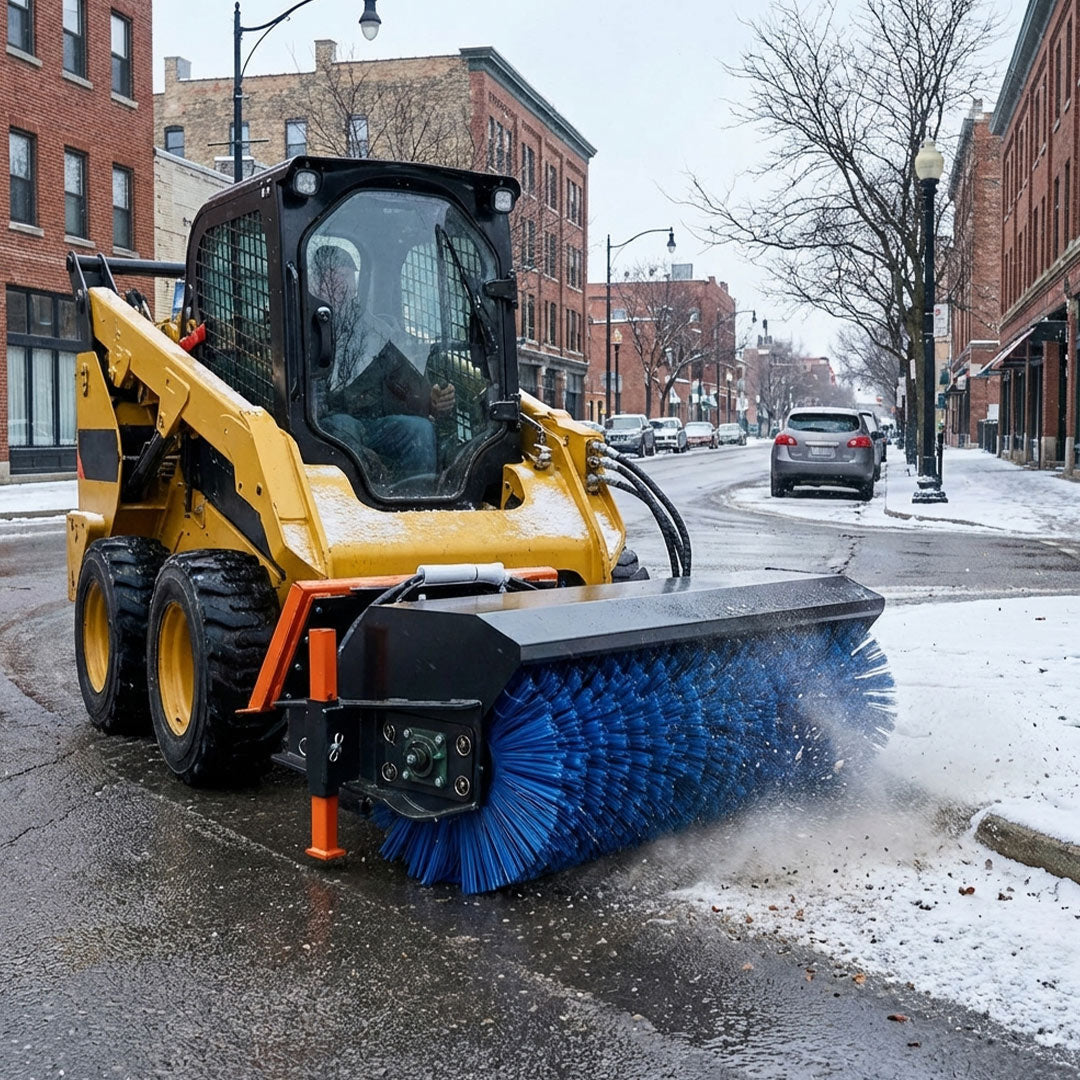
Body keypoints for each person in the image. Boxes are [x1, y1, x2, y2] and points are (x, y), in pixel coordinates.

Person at [309, 243, 455, 481]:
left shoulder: (375, 331)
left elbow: (408, 385)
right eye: (330, 276)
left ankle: (416, 498)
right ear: (314, 283)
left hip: (374, 424)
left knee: (419, 430)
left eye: (346, 276)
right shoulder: (303, 328)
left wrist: (432, 402)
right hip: (327, 425)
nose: (339, 285)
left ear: (355, 283)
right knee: (342, 425)